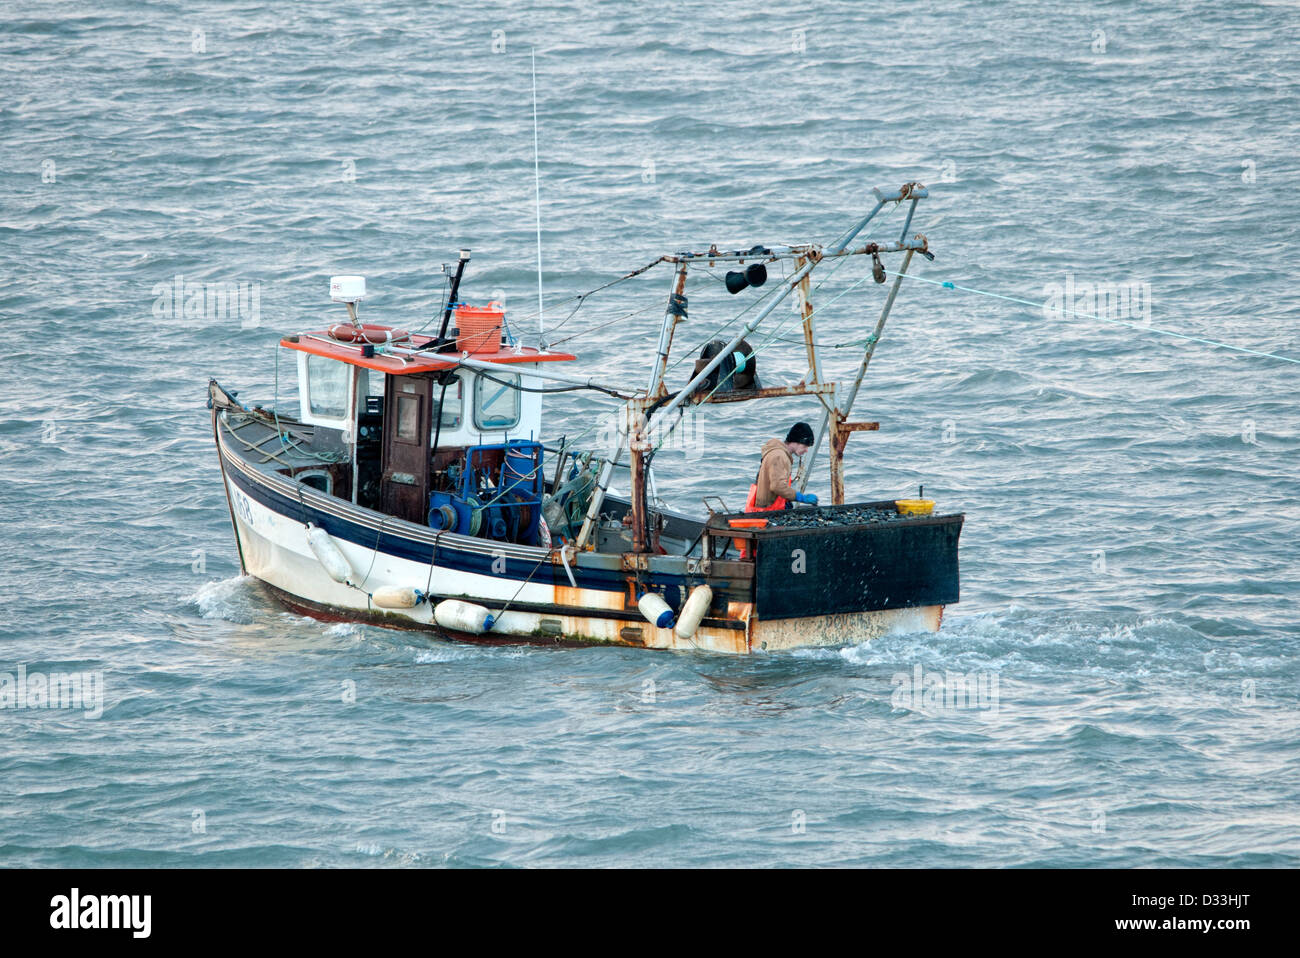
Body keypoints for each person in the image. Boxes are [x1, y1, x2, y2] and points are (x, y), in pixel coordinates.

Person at [744, 421, 819, 512]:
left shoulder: (777, 453)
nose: (806, 450)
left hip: (765, 507)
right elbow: (777, 486)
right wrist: (800, 497)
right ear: (797, 441)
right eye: (805, 446)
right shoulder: (779, 456)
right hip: (767, 511)